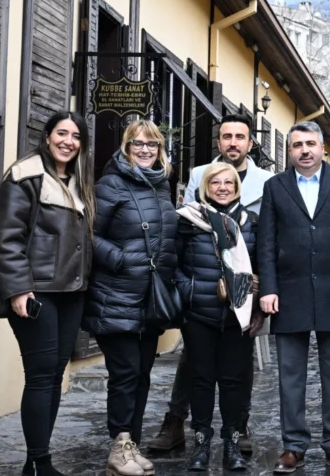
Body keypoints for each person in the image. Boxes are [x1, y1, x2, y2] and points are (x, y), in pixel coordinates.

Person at [150, 112, 271, 454]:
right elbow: (188, 225)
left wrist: (259, 288)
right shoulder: (199, 174)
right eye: (227, 136)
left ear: (250, 142)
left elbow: (265, 237)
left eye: (240, 137)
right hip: (202, 290)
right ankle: (176, 422)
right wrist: (189, 290)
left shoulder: (265, 181)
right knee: (195, 359)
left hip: (246, 291)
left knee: (241, 361)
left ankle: (239, 426)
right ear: (218, 142)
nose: (233, 142)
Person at [0, 112, 96, 476]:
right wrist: (19, 289)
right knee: (39, 375)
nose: (68, 141)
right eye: (61, 133)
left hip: (70, 293)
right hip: (36, 293)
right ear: (48, 136)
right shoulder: (25, 176)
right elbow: (8, 239)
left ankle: (36, 461)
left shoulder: (79, 181)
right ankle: (39, 461)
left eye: (76, 135)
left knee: (54, 375)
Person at [258, 121, 330, 474]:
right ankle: (294, 446)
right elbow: (266, 241)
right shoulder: (275, 187)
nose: (304, 150)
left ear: (322, 147)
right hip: (289, 292)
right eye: (297, 144)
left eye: (310, 143)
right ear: (289, 150)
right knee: (290, 375)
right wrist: (268, 288)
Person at [82, 121, 179, 476]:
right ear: (125, 147)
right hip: (116, 296)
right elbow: (88, 234)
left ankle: (130, 445)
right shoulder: (111, 185)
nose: (144, 150)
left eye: (151, 144)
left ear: (159, 150)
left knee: (141, 376)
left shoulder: (162, 187)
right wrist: (121, 259)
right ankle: (119, 446)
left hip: (150, 300)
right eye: (137, 143)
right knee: (124, 374)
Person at [178, 163, 260, 472]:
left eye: (229, 182)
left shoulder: (251, 222)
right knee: (200, 381)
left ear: (237, 188)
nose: (223, 187)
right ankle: (200, 444)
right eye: (216, 183)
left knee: (233, 382)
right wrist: (190, 291)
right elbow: (173, 263)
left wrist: (257, 307)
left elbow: (262, 265)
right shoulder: (187, 221)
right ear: (205, 187)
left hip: (238, 316)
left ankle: (231, 444)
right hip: (199, 314)